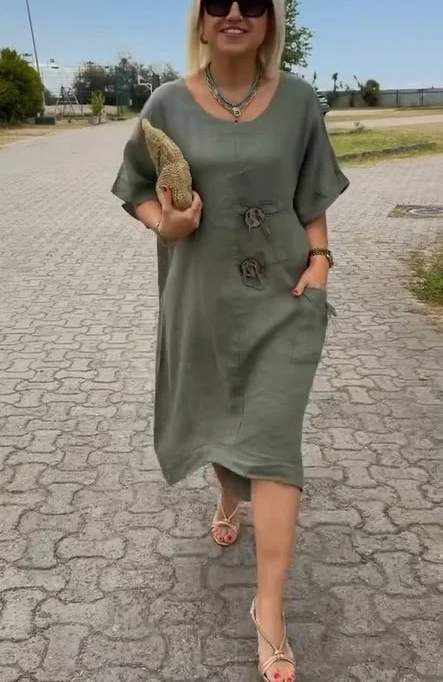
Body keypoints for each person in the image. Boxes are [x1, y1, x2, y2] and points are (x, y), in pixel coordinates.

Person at [111, 1, 349, 679]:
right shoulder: (167, 102)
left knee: (272, 441)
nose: (235, 12)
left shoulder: (298, 101)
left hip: (283, 296)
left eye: (252, 2)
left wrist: (320, 259)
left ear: (271, 20)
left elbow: (311, 194)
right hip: (204, 299)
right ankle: (225, 495)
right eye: (218, 2)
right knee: (220, 421)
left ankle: (268, 611)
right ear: (201, 20)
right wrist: (166, 224)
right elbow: (136, 186)